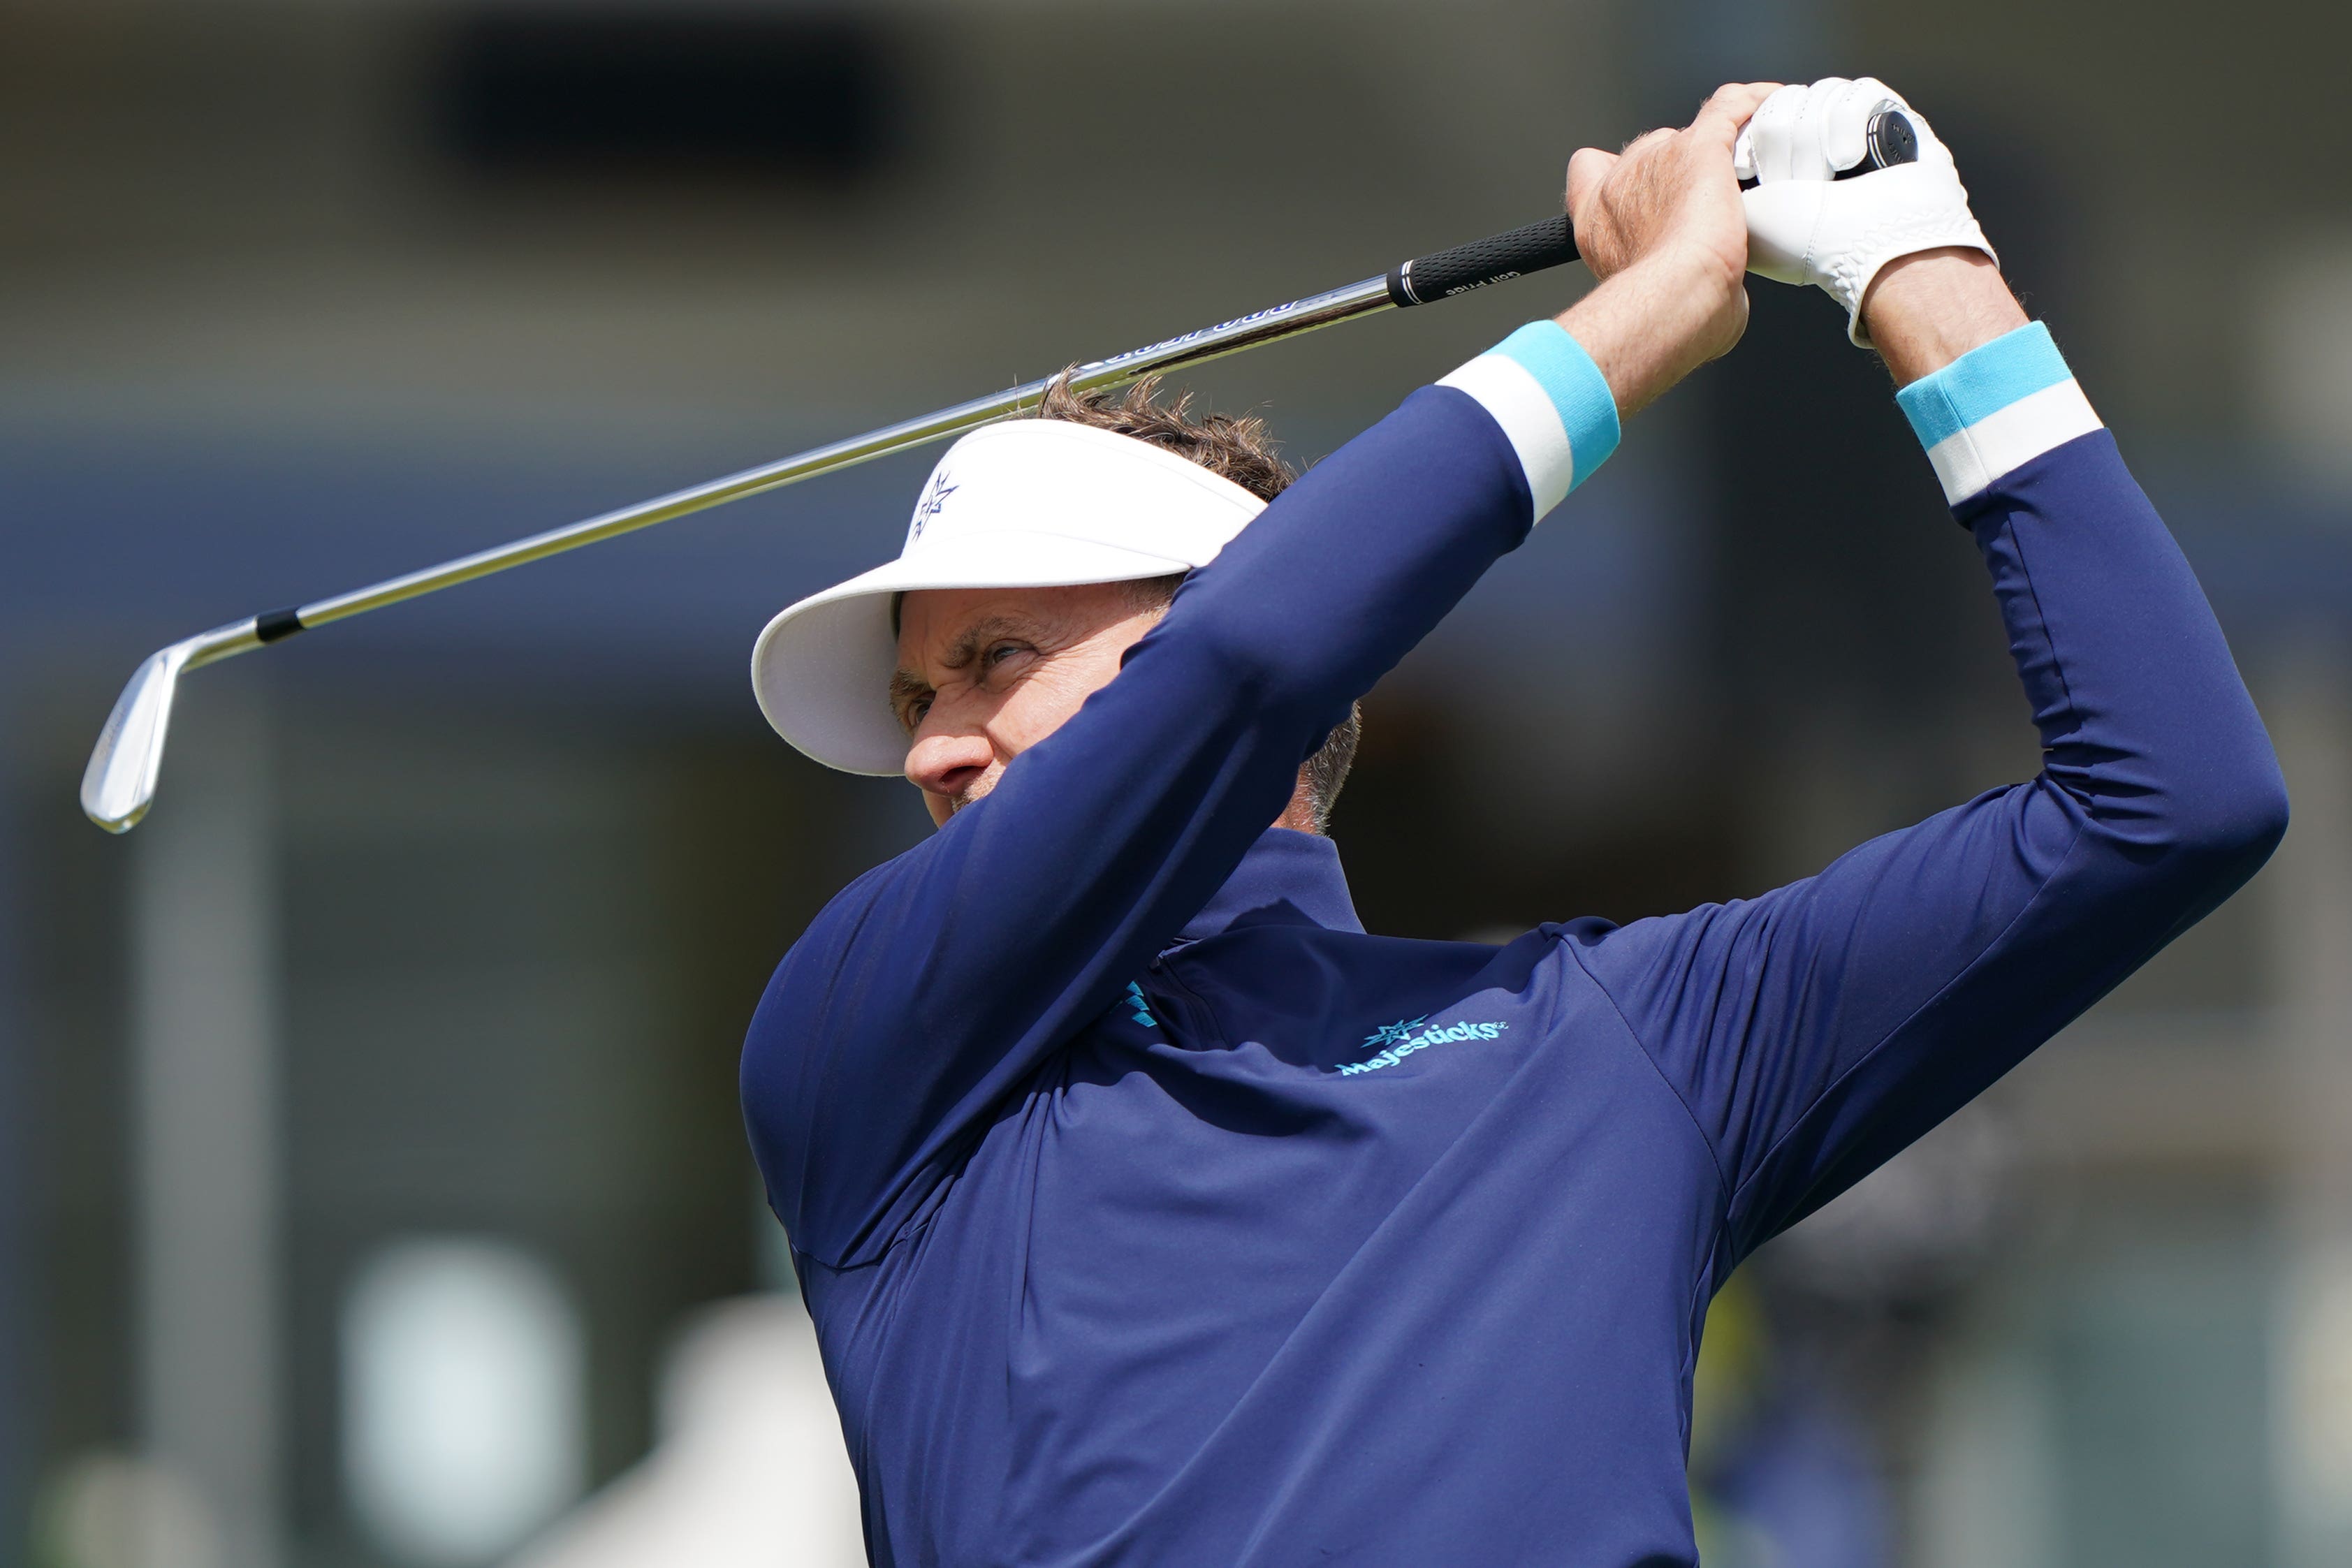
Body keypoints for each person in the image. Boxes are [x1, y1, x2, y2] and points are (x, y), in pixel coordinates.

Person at [738, 77, 2287, 1567]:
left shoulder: (1622, 1034)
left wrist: (1915, 259)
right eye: (909, 701)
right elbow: (1248, 661)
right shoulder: (874, 1052)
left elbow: (2171, 799)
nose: (934, 745)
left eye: (990, 660)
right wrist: (1651, 312)